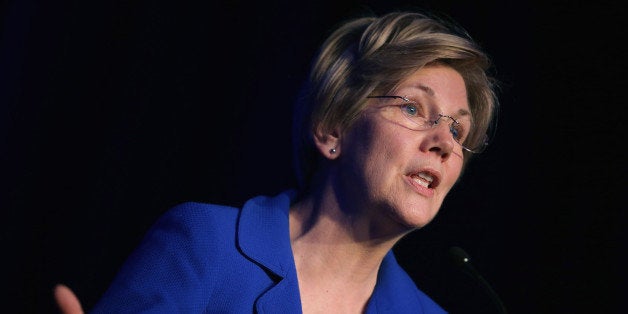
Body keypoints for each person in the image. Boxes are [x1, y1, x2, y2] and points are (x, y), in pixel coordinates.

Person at [55, 9, 498, 314]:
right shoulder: (206, 247)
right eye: (413, 109)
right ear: (332, 129)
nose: (444, 142)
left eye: (458, 130)